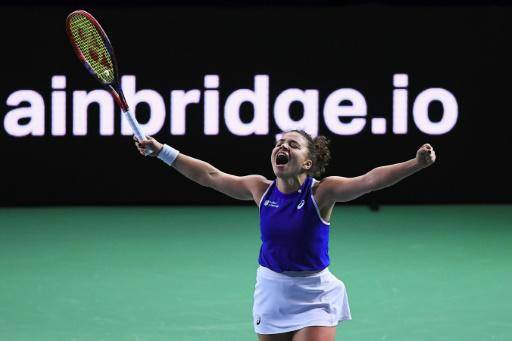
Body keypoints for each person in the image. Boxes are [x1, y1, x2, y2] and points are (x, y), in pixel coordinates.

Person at [134, 130, 436, 341]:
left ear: (308, 162)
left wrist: (416, 164)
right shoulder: (260, 189)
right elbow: (209, 176)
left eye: (293, 144)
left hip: (315, 293)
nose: (283, 147)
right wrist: (162, 151)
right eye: (280, 143)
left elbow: (370, 180)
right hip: (272, 291)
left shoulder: (322, 191)